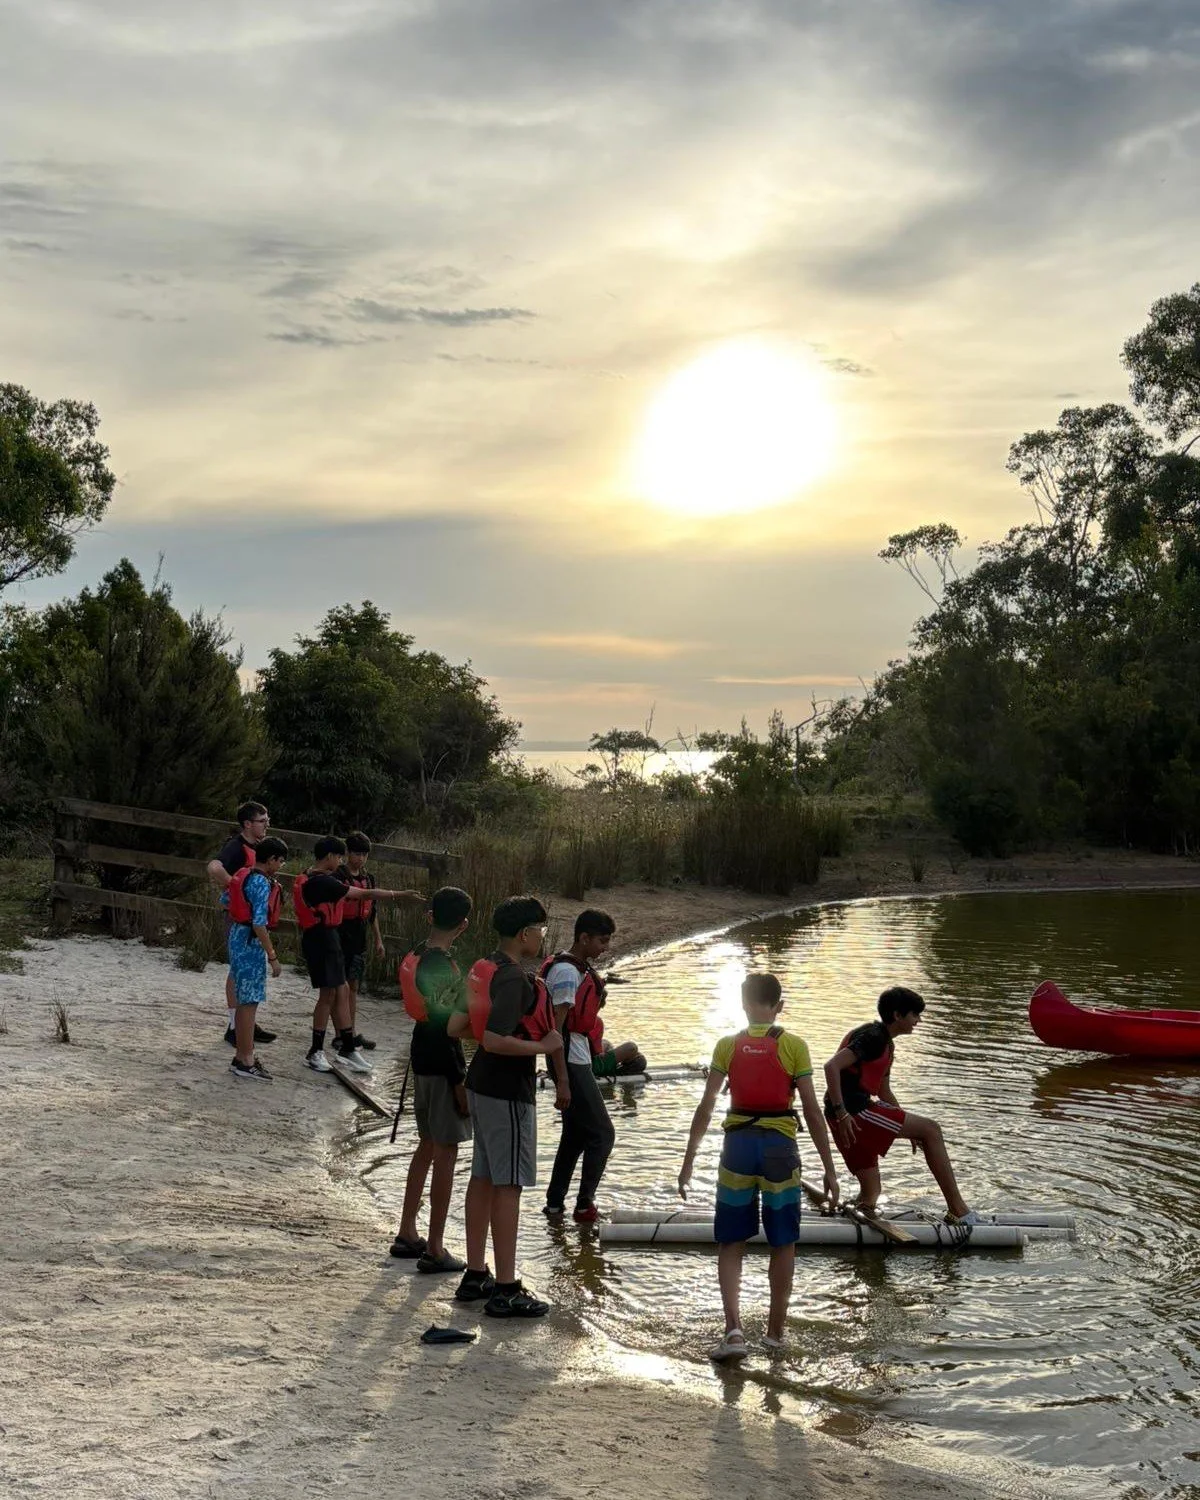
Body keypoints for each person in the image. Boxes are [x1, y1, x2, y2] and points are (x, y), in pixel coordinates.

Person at [678, 973, 839, 1363]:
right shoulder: (795, 1046)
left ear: (743, 1003)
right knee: (783, 1241)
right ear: (779, 1005)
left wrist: (688, 1161)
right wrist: (830, 1169)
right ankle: (775, 1336)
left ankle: (733, 1332)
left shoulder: (727, 1046)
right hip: (780, 1151)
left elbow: (707, 1105)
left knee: (731, 1241)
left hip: (737, 1149)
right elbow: (814, 1113)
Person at [453, 895, 567, 1317]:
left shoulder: (485, 967)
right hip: (505, 1090)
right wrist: (542, 1045)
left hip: (479, 1083)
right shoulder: (516, 980)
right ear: (524, 934)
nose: (542, 936)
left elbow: (457, 1025)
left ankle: (475, 1273)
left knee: (482, 1176)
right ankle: (506, 1287)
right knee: (509, 1185)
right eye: (539, 929)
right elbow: (494, 1039)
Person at [823, 986, 980, 1226]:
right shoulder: (873, 1037)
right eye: (915, 1015)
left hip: (848, 1114)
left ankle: (857, 1214)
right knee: (931, 1129)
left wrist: (909, 1130)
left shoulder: (887, 1044)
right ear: (897, 1015)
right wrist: (842, 1113)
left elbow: (884, 1092)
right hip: (853, 1112)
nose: (919, 1020)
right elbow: (831, 1066)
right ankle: (958, 1211)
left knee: (871, 1193)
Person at [390, 885, 474, 1273]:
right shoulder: (442, 964)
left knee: (426, 1145)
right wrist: (459, 1082)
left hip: (419, 1055)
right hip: (440, 1062)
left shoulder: (416, 954)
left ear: (429, 917)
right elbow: (447, 1029)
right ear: (463, 925)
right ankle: (436, 1248)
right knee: (446, 1153)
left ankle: (408, 1230)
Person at [292, 836, 423, 1076]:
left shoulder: (316, 877)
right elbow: (363, 894)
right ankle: (315, 1051)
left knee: (341, 990)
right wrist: (399, 894)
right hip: (321, 941)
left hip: (330, 939)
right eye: (339, 856)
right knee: (328, 995)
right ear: (330, 856)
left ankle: (348, 1046)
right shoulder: (321, 882)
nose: (341, 861)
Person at [541, 908, 622, 1223]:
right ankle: (584, 1206)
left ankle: (554, 1206)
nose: (605, 947)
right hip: (570, 1064)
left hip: (575, 1059)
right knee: (603, 1134)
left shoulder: (577, 968)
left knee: (574, 1135)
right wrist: (562, 1079)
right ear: (583, 937)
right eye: (601, 941)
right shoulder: (566, 973)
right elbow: (555, 1030)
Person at [206, 801, 273, 1047]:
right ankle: (235, 1026)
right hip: (237, 919)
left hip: (252, 920)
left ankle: (247, 1025)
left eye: (267, 820)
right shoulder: (235, 846)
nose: (267, 825)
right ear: (247, 824)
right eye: (262, 821)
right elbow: (213, 866)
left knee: (245, 973)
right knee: (237, 972)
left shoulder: (261, 847)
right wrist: (235, 887)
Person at [225, 837, 288, 1081]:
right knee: (250, 1002)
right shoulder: (261, 883)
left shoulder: (243, 874)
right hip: (250, 942)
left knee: (244, 1000)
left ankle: (242, 1056)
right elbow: (259, 922)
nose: (280, 866)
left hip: (236, 937)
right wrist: (272, 956)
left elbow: (226, 900)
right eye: (280, 861)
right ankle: (246, 1059)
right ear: (271, 859)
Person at [337, 831, 385, 1054]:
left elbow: (372, 913)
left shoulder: (369, 879)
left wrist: (378, 939)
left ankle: (351, 1032)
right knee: (338, 987)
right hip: (339, 935)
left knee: (353, 986)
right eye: (357, 854)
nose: (361, 859)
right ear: (347, 853)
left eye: (364, 855)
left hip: (359, 937)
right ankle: (340, 1034)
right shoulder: (337, 876)